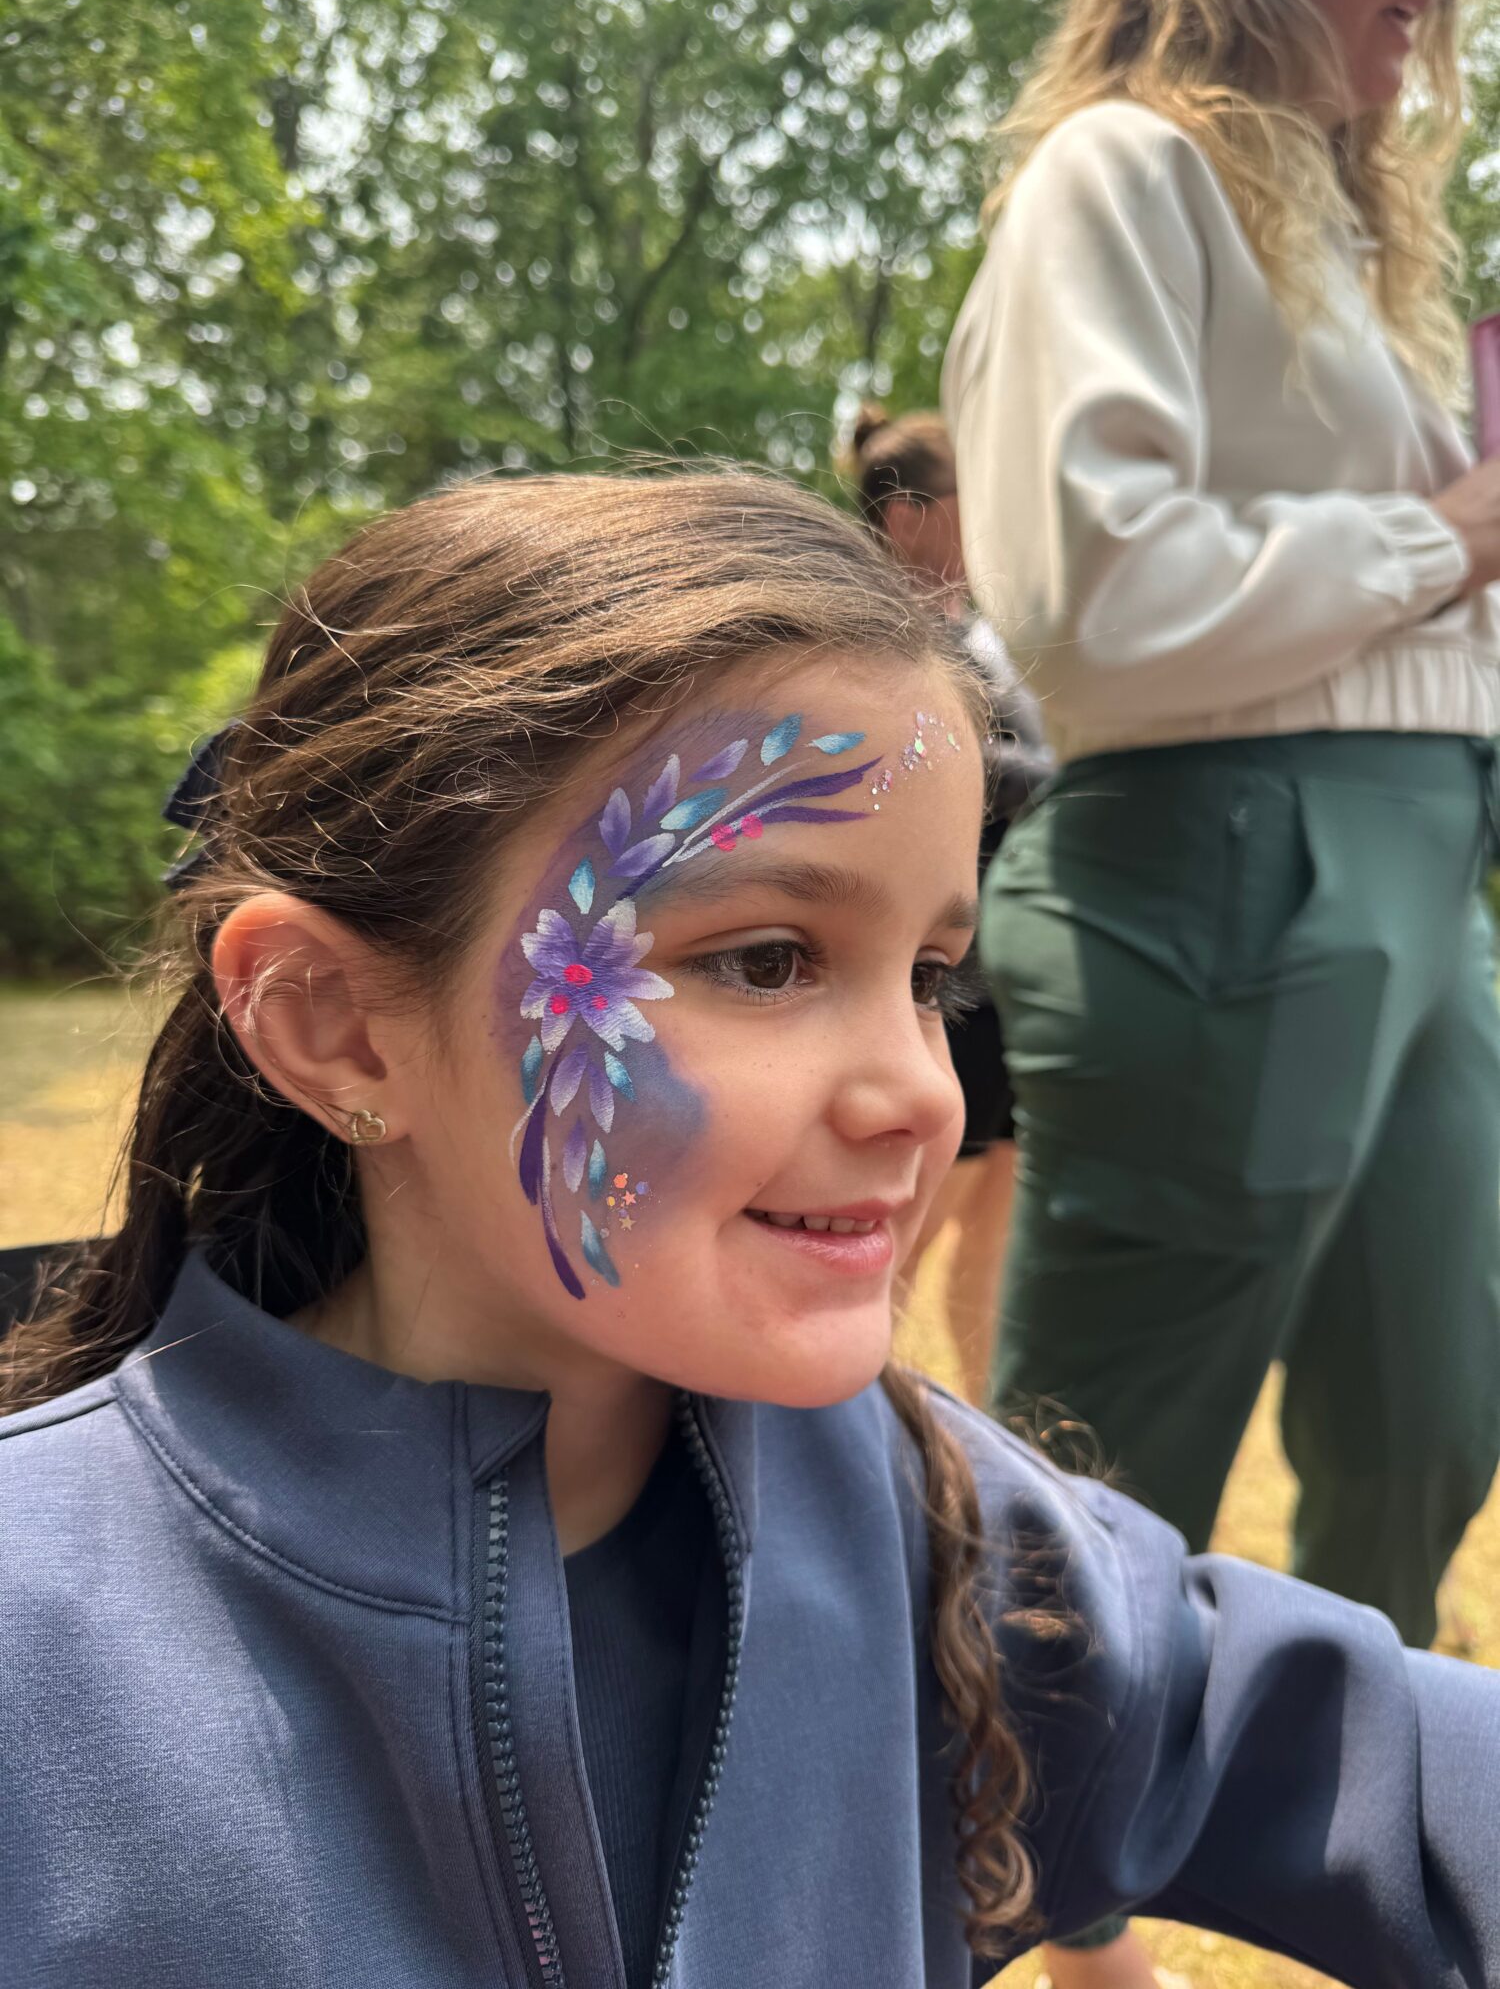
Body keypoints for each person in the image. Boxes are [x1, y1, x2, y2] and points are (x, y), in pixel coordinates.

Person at [3, 471, 1500, 1989]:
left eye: (931, 974)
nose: (923, 1092)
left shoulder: (934, 1534)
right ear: (335, 1024)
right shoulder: (38, 1639)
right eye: (768, 959)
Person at [944, 0, 1500, 1979]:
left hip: (1431, 846)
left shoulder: (1367, 241)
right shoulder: (1126, 172)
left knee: (1436, 1403)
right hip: (1218, 845)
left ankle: (1347, 1834)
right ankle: (1013, 1881)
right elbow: (1091, 594)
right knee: (1110, 1457)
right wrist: (1443, 537)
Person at [845, 402, 1052, 1403]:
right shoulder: (873, 639)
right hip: (946, 981)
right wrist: (1082, 775)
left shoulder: (979, 634)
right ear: (910, 516)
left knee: (998, 1210)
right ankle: (849, 1414)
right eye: (977, 498)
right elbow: (948, 762)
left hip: (1008, 975)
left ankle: (990, 1423)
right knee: (910, 1222)